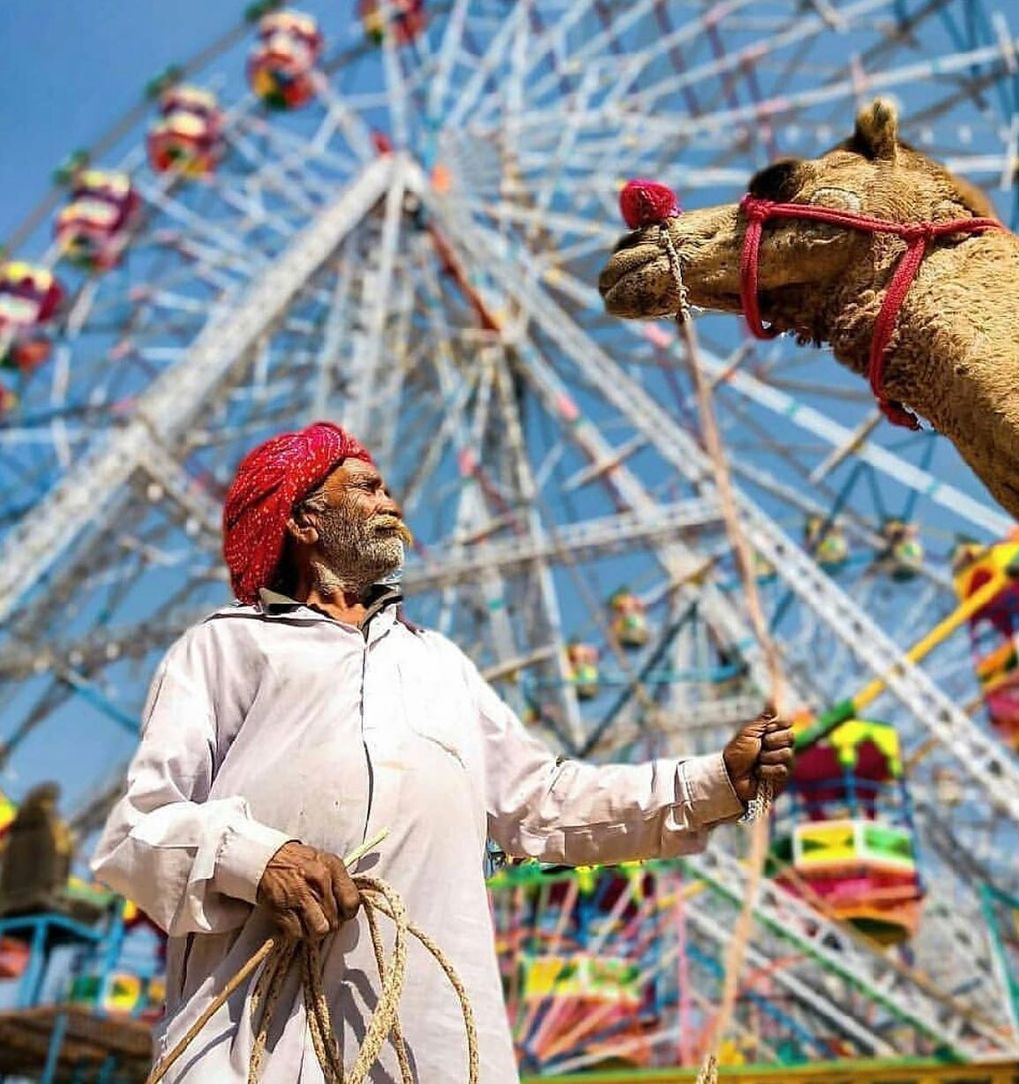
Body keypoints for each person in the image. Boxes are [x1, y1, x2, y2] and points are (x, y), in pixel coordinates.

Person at [92, 421, 795, 1082]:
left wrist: (709, 784)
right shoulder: (227, 645)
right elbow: (138, 830)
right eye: (363, 488)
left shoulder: (440, 665)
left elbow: (541, 804)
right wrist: (259, 858)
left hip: (429, 1038)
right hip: (256, 1037)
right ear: (304, 522)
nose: (388, 500)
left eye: (385, 487)